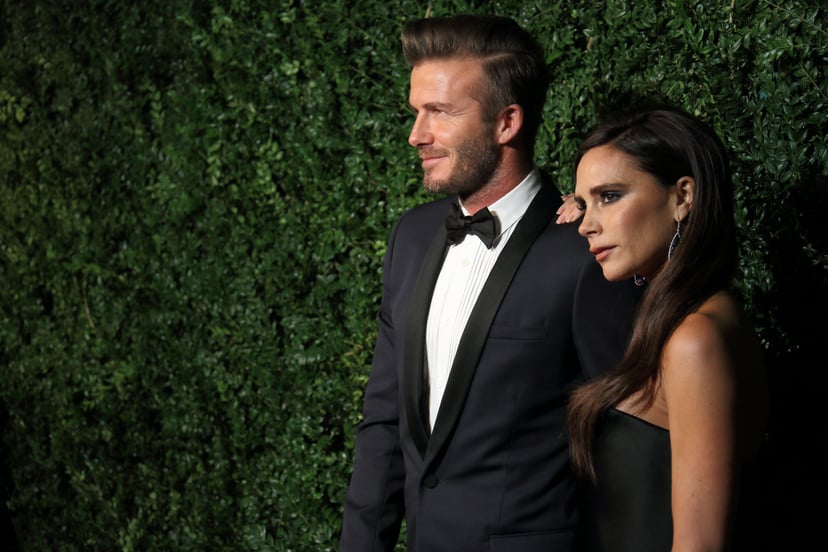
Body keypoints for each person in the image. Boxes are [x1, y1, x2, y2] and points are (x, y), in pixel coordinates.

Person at [338, 14, 643, 552]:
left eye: (439, 113)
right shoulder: (410, 238)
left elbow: (624, 450)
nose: (416, 136)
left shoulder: (588, 253)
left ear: (507, 123)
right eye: (416, 112)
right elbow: (385, 423)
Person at [566, 105, 769, 551]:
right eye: (583, 203)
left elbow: (699, 544)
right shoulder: (685, 320)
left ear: (682, 196)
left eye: (610, 196)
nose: (586, 224)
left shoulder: (696, 339)